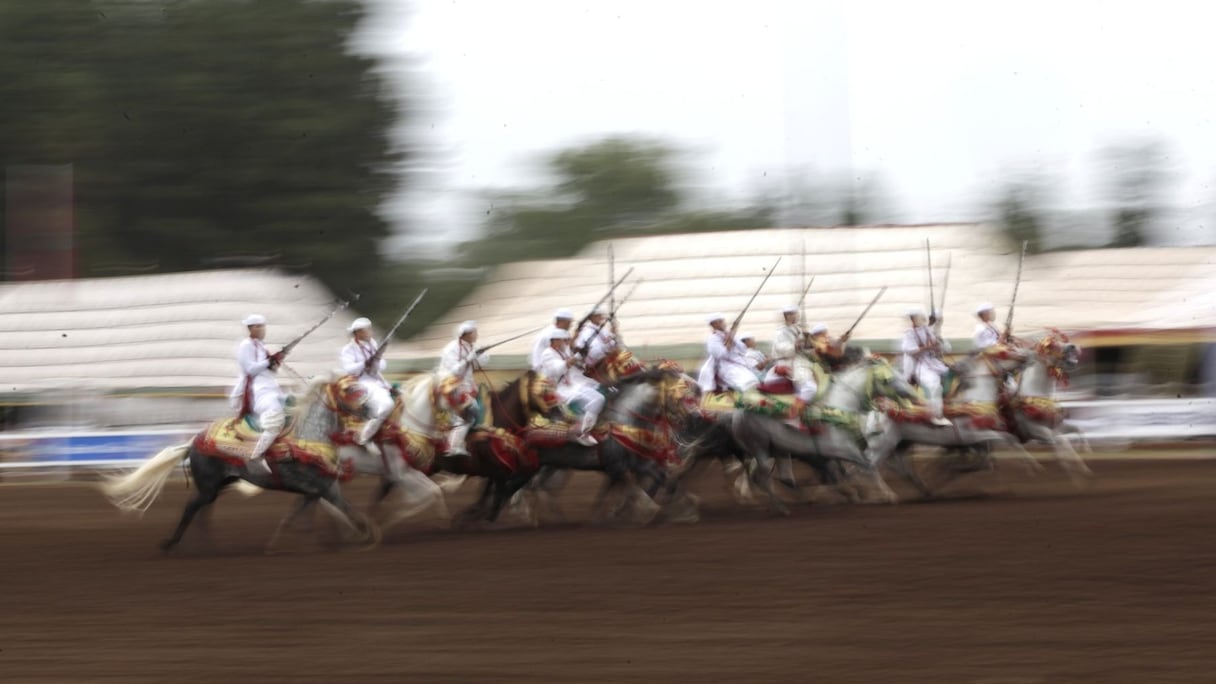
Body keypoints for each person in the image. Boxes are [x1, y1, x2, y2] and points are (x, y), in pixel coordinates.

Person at [227, 314, 285, 472]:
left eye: (263, 326)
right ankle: (256, 456)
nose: (262, 329)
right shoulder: (246, 345)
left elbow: (268, 370)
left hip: (270, 387)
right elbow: (250, 369)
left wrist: (277, 360)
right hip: (257, 390)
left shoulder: (261, 346)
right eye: (257, 326)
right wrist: (269, 361)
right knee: (275, 416)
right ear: (250, 329)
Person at [536, 328, 601, 445]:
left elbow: (577, 364)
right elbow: (558, 369)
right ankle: (583, 433)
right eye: (563, 340)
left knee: (599, 398)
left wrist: (583, 353)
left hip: (573, 385)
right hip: (560, 390)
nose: (566, 342)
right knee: (596, 400)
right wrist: (576, 357)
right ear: (555, 340)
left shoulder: (562, 352)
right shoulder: (547, 354)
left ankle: (585, 427)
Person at [339, 317, 394, 453]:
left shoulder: (373, 344)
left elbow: (383, 365)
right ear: (358, 333)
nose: (370, 332)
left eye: (370, 329)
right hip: (361, 382)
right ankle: (365, 437)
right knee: (387, 406)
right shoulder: (348, 349)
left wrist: (375, 361)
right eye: (367, 330)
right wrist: (364, 363)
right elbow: (348, 369)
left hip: (378, 381)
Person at [437, 320, 489, 457]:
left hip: (465, 386)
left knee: (476, 411)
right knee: (468, 413)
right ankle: (453, 447)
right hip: (449, 385)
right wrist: (468, 359)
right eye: (475, 332)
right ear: (467, 334)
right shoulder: (451, 348)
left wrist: (481, 353)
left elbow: (481, 364)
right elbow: (453, 372)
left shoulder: (471, 346)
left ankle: (464, 440)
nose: (477, 334)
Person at [900, 309, 953, 426]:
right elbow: (909, 349)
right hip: (920, 365)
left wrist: (938, 343)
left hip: (934, 362)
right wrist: (926, 348)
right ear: (912, 319)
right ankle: (935, 415)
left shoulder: (928, 330)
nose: (921, 319)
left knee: (954, 374)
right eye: (916, 317)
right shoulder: (909, 333)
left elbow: (943, 346)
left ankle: (948, 404)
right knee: (934, 385)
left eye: (920, 317)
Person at [697, 313, 760, 394]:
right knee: (746, 383)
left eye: (723, 321)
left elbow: (743, 350)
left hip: (739, 364)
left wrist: (733, 339)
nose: (724, 323)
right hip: (725, 367)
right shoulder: (712, 339)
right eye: (720, 321)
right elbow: (721, 355)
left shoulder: (731, 335)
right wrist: (729, 342)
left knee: (754, 381)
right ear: (713, 324)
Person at [531, 308, 575, 372]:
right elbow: (537, 356)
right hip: (545, 370)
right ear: (562, 321)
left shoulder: (564, 332)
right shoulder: (547, 335)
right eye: (569, 322)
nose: (571, 325)